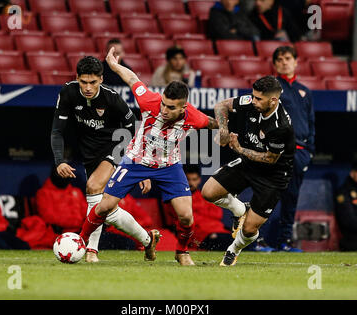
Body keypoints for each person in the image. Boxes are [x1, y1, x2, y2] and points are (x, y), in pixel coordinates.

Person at [79, 46, 219, 266]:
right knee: (105, 206)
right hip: (135, 161)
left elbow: (211, 123)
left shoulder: (195, 117)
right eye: (163, 103)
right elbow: (132, 78)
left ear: (184, 107)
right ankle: (81, 242)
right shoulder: (150, 101)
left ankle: (182, 252)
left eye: (170, 107)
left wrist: (228, 131)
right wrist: (114, 65)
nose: (163, 110)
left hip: (169, 167)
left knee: (186, 216)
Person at [51, 55, 155, 263]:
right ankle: (147, 238)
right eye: (83, 82)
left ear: (101, 79)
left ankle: (90, 249)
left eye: (93, 82)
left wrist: (141, 166)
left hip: (116, 145)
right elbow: (57, 130)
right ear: (77, 78)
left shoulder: (112, 98)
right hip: (89, 152)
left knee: (93, 186)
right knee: (106, 209)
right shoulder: (68, 92)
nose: (88, 87)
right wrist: (60, 160)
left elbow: (135, 129)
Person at [201, 76, 295, 266]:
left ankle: (233, 250)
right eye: (253, 96)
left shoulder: (280, 126)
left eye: (259, 99)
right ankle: (240, 209)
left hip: (273, 175)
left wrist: (239, 149)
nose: (254, 101)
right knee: (208, 192)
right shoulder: (252, 103)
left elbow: (270, 158)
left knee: (250, 230)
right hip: (248, 164)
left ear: (273, 100)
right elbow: (221, 105)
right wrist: (224, 130)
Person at [272, 46, 315, 252]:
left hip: (300, 151)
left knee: (292, 196)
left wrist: (310, 152)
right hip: (278, 150)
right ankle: (257, 240)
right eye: (279, 59)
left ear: (296, 61)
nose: (284, 62)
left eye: (288, 58)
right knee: (268, 195)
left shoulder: (304, 91)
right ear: (274, 64)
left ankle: (285, 241)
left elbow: (311, 122)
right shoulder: (271, 88)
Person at [35, 167, 87, 234]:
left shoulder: (76, 192)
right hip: (58, 234)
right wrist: (75, 223)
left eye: (66, 172)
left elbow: (86, 212)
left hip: (81, 232)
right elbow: (48, 217)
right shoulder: (43, 193)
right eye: (60, 173)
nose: (63, 175)